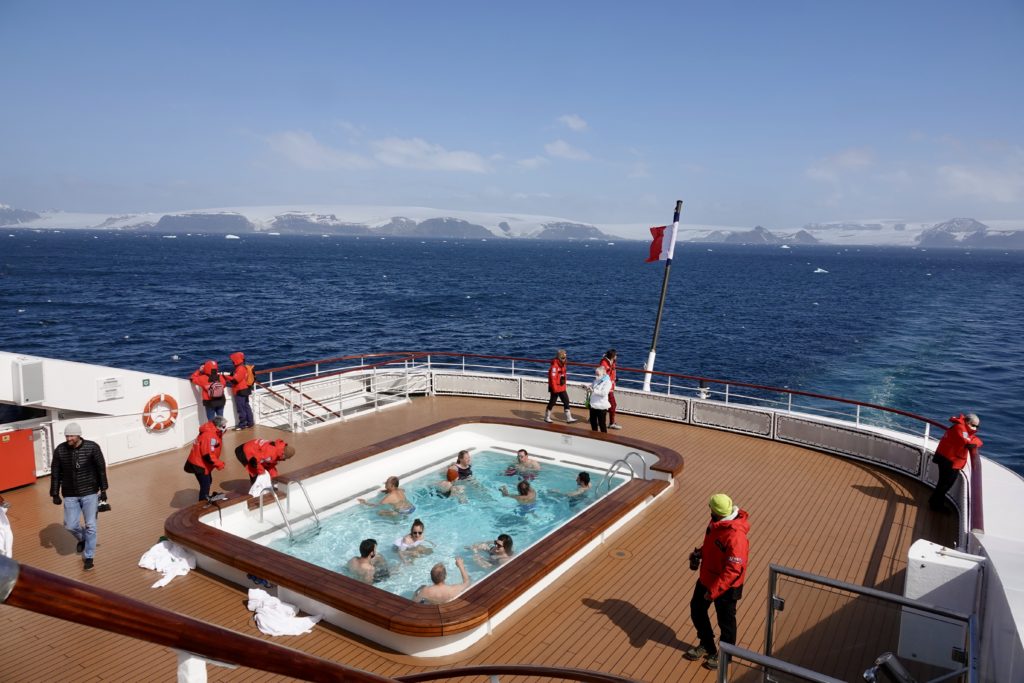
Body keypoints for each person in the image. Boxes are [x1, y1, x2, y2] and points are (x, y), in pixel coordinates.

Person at [683, 493, 750, 670]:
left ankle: (725, 657)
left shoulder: (736, 536)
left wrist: (714, 591)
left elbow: (734, 570)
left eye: (710, 508)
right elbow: (712, 545)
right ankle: (707, 644)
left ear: (717, 512)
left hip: (726, 587)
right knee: (697, 610)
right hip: (707, 577)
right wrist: (699, 553)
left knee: (726, 623)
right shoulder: (716, 523)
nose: (709, 510)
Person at [49, 423, 108, 571]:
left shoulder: (92, 447)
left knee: (91, 526)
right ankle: (83, 538)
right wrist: (54, 493)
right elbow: (55, 473)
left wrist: (104, 490)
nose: (69, 438)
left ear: (79, 435)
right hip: (70, 494)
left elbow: (101, 469)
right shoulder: (60, 450)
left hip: (90, 492)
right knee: (70, 525)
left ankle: (89, 557)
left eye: (71, 436)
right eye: (67, 436)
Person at [928, 413, 982, 511]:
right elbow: (968, 442)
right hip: (948, 459)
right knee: (945, 484)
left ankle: (934, 501)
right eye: (974, 425)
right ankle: (936, 505)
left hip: (948, 458)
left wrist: (974, 439)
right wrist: (978, 441)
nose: (975, 428)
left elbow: (970, 439)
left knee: (944, 483)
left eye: (977, 426)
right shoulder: (960, 428)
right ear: (967, 422)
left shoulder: (962, 428)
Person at [184, 417, 228, 502]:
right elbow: (208, 455)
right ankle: (202, 502)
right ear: (217, 426)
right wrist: (219, 464)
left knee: (208, 481)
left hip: (201, 463)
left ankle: (205, 497)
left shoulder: (213, 431)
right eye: (223, 427)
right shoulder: (209, 436)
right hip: (199, 464)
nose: (225, 428)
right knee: (205, 485)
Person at [545, 349, 578, 424]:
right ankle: (547, 416)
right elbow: (553, 378)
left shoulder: (563, 364)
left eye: (565, 357)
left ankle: (569, 418)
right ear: (559, 357)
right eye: (563, 357)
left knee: (566, 401)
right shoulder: (554, 366)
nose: (564, 359)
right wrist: (554, 388)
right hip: (555, 387)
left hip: (561, 386)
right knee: (552, 402)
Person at [227, 351, 254, 430]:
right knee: (246, 406)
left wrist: (226, 377)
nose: (232, 361)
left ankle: (242, 425)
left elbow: (235, 380)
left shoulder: (240, 368)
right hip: (245, 389)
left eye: (233, 360)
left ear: (236, 360)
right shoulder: (243, 367)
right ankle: (250, 422)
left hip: (240, 391)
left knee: (241, 408)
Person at [587, 365, 613, 433]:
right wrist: (587, 387)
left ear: (603, 374)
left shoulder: (607, 382)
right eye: (595, 374)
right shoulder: (596, 380)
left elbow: (604, 393)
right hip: (593, 405)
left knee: (602, 424)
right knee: (593, 423)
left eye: (598, 374)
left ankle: (604, 438)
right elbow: (592, 386)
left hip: (601, 407)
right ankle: (594, 436)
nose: (596, 376)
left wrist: (593, 391)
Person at [600, 349, 622, 429]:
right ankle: (611, 423)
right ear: (612, 356)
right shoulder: (604, 363)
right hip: (606, 388)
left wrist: (614, 379)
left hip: (610, 387)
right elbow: (602, 375)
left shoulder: (612, 363)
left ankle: (599, 419)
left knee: (605, 405)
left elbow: (611, 373)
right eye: (616, 355)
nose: (617, 356)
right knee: (612, 405)